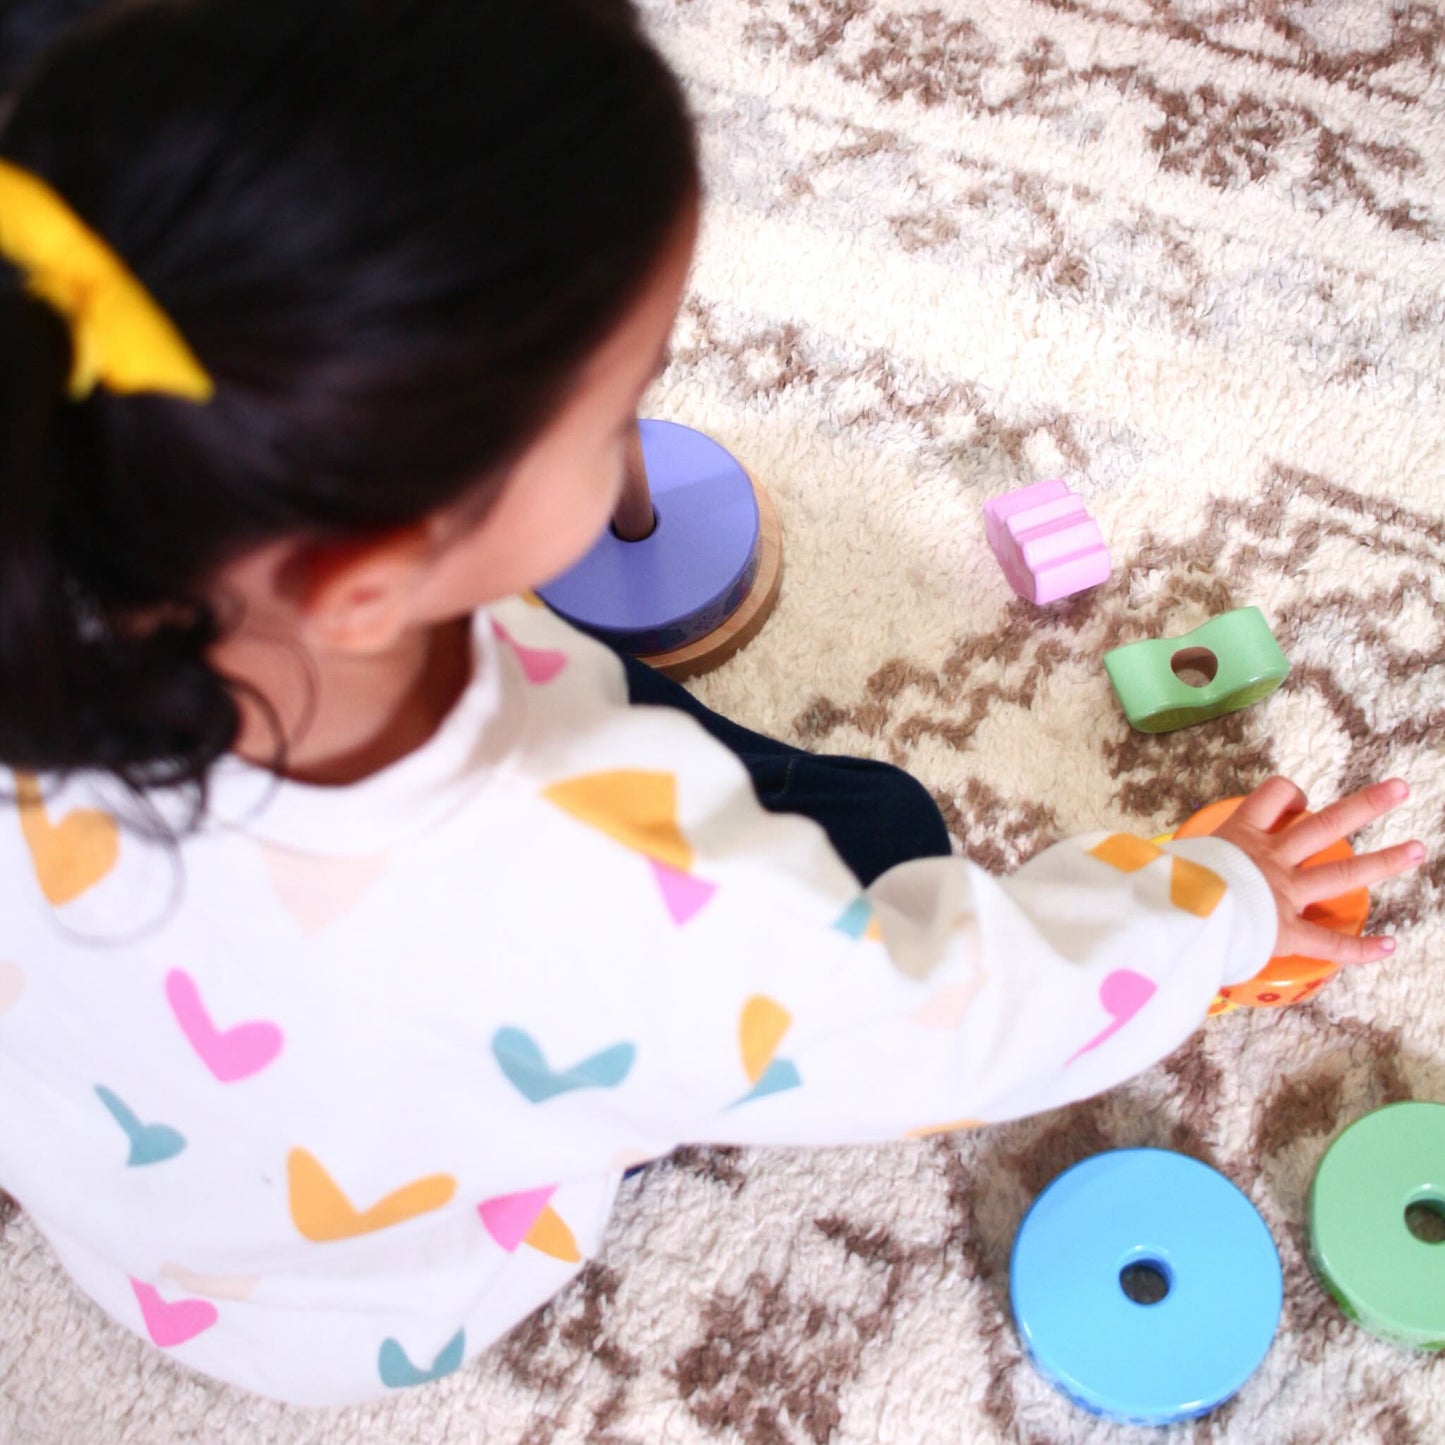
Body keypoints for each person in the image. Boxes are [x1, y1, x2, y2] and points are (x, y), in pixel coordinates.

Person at [0, 0, 1423, 1409]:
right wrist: (1214, 903)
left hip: (163, 1226)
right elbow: (951, 1019)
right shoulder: (617, 876)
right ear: (366, 569)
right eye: (618, 402)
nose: (637, 435)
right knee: (881, 823)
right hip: (400, 1273)